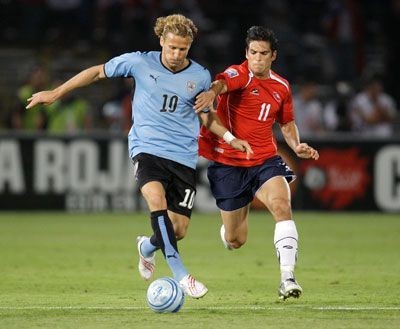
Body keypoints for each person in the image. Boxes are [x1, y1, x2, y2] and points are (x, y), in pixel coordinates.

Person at [26, 14, 252, 299]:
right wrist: (56, 93)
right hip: (147, 149)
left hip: (183, 157)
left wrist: (231, 138)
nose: (176, 54)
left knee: (177, 229)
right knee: (155, 202)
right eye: (171, 48)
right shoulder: (139, 62)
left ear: (190, 46)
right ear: (161, 41)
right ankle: (181, 274)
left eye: (183, 49)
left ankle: (146, 247)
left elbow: (207, 118)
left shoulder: (200, 76)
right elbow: (97, 72)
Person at [194, 26, 319, 300]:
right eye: (253, 53)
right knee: (236, 240)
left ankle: (287, 278)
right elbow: (223, 83)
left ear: (273, 55)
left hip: (264, 159)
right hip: (228, 163)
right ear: (246, 53)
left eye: (263, 53)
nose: (257, 59)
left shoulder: (282, 86)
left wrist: (296, 144)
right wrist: (212, 93)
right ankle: (228, 231)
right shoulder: (239, 73)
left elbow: (286, 123)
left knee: (282, 205)